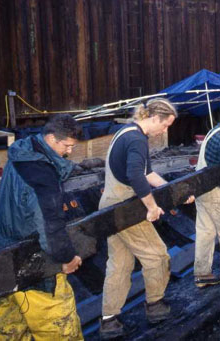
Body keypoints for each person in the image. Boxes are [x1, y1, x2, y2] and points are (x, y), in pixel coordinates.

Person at [99, 98, 194, 339]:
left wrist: (175, 191)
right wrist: (151, 207)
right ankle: (155, 306)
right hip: (126, 210)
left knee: (119, 264)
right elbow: (135, 176)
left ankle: (109, 320)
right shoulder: (136, 139)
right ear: (153, 118)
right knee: (157, 256)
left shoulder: (126, 132)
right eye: (165, 125)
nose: (165, 131)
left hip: (109, 207)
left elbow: (148, 173)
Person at [0, 114, 84, 341]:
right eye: (67, 146)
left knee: (11, 322)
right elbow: (50, 224)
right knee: (60, 326)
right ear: (51, 138)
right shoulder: (43, 177)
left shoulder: (22, 152)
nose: (69, 153)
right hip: (31, 261)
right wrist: (66, 257)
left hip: (2, 249)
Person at [194, 124, 220, 288]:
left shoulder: (216, 130)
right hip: (215, 190)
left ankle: (202, 274)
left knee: (206, 231)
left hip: (201, 186)